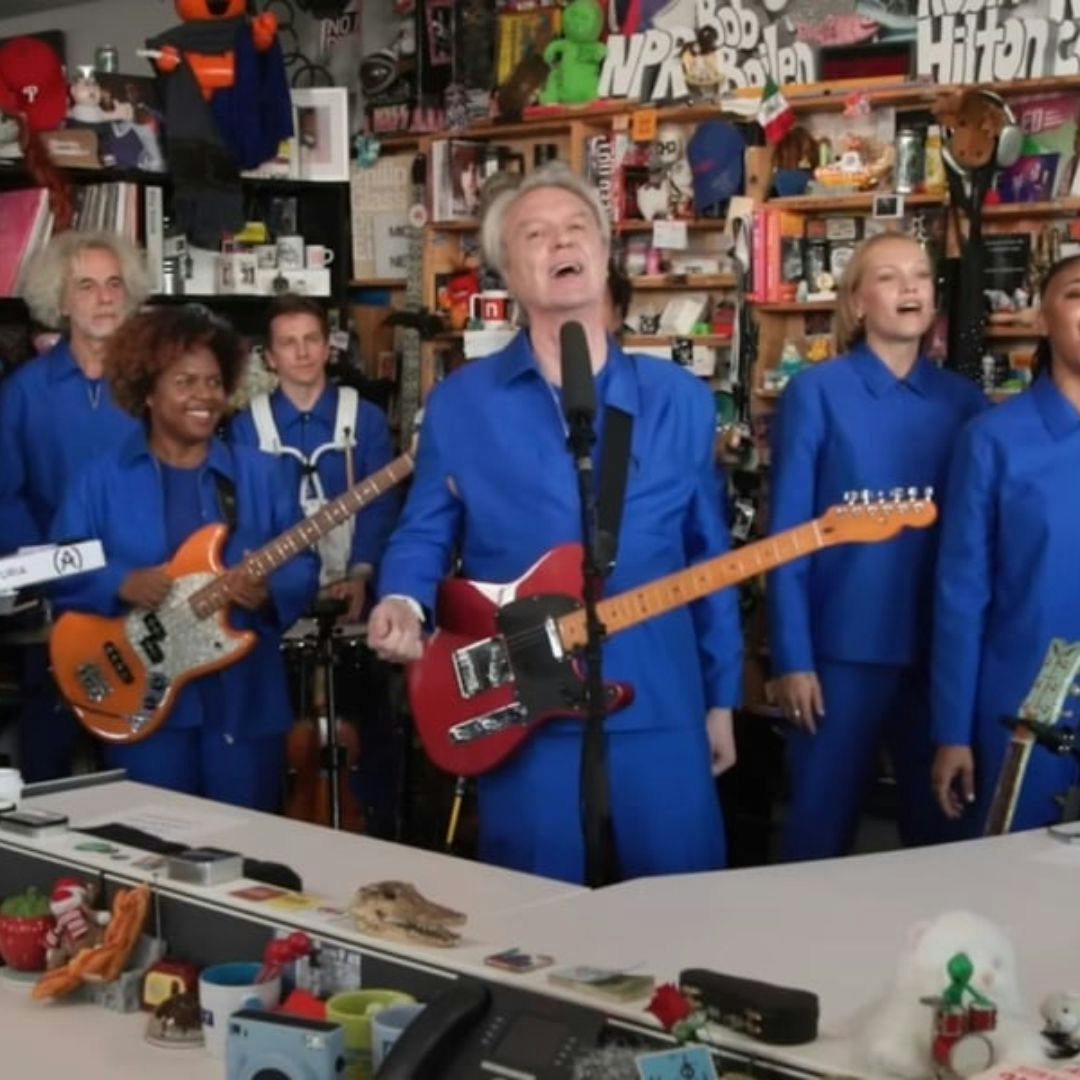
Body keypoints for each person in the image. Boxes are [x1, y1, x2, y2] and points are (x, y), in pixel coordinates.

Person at [367, 162, 742, 884]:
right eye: (534, 234)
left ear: (603, 254)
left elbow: (709, 560)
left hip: (661, 701)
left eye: (575, 228)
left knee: (686, 914)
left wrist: (722, 696)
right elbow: (423, 528)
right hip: (523, 707)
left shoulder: (678, 400)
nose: (558, 242)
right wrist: (401, 598)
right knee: (534, 921)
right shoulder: (462, 403)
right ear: (509, 271)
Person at [767, 231, 985, 862]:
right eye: (889, 277)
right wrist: (792, 657)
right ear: (857, 302)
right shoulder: (817, 393)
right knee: (817, 832)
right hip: (838, 656)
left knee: (940, 836)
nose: (910, 286)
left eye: (919, 275)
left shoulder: (963, 403)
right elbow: (786, 536)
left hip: (934, 657)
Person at [49, 306, 319, 810]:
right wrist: (119, 581)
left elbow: (303, 564)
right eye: (185, 382)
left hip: (244, 703)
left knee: (250, 859)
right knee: (151, 853)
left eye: (214, 382)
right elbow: (60, 565)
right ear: (148, 392)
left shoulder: (262, 474)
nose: (205, 396)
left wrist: (268, 593)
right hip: (143, 706)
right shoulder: (99, 480)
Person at [932, 254, 1080, 834]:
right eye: (1076, 294)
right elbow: (960, 595)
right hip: (1022, 710)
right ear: (1041, 317)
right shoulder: (993, 439)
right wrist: (950, 730)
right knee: (1015, 890)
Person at [0, 231, 149, 781]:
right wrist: (53, 568)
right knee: (49, 773)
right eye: (85, 286)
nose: (104, 298)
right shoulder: (24, 392)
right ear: (60, 302)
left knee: (137, 778)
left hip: (143, 606)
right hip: (53, 612)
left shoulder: (153, 386)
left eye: (114, 284)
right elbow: (5, 495)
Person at [230, 294, 397, 621]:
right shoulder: (246, 427)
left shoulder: (367, 418)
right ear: (270, 358)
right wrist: (277, 588)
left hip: (355, 599)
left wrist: (360, 574)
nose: (302, 352)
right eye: (288, 343)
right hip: (273, 602)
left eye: (311, 339)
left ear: (327, 348)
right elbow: (248, 521)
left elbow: (380, 506)